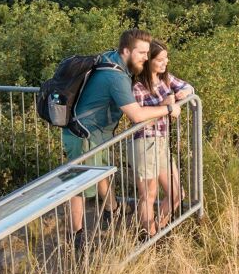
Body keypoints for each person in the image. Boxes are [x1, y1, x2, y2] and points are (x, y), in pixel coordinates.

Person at [66, 28, 182, 254]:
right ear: (126, 51)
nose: (146, 58)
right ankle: (76, 238)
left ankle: (113, 209)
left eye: (148, 53)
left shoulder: (115, 61)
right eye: (141, 53)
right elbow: (137, 115)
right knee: (79, 186)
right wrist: (168, 108)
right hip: (83, 134)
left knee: (100, 173)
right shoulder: (116, 77)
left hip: (97, 133)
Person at [130, 40, 193, 236]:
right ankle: (148, 237)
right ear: (149, 61)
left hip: (162, 142)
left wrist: (184, 92)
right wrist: (166, 108)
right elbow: (138, 118)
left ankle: (158, 229)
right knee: (148, 195)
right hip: (145, 141)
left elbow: (189, 87)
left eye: (166, 58)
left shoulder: (166, 79)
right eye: (160, 59)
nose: (166, 62)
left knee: (176, 193)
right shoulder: (137, 86)